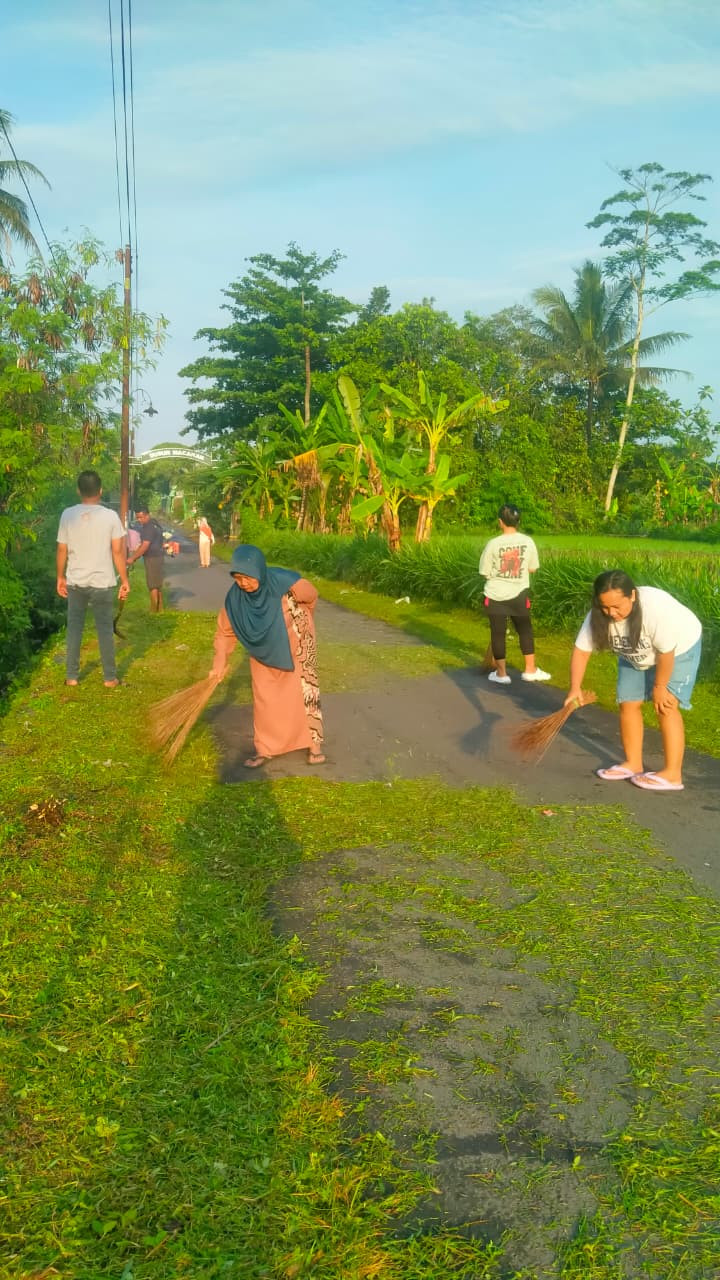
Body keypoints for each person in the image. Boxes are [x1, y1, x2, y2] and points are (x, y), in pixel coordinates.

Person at [566, 569, 702, 792]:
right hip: (635, 652)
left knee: (665, 705)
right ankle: (633, 763)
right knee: (628, 702)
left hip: (679, 648)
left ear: (633, 596)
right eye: (605, 607)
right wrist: (574, 688)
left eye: (617, 607)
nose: (611, 613)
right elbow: (581, 651)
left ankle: (673, 774)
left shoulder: (654, 611)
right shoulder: (597, 616)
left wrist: (659, 687)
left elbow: (666, 653)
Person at [210, 544, 325, 768]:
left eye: (248, 577)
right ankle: (265, 748)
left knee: (304, 690)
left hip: (297, 640)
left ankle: (314, 745)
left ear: (260, 571)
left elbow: (311, 596)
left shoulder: (285, 583)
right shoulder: (235, 599)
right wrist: (219, 663)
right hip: (262, 648)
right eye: (238, 578)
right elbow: (225, 631)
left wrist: (305, 619)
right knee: (265, 695)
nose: (244, 583)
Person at [56, 469, 130, 688]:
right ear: (100, 490)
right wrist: (124, 580)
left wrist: (59, 577)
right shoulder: (110, 516)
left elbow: (62, 549)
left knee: (75, 628)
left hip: (75, 582)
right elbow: (117, 552)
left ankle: (72, 677)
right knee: (105, 629)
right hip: (103, 583)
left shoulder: (67, 514)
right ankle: (109, 678)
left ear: (78, 491)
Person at [479, 503, 551, 685]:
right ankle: (530, 670)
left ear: (500, 522)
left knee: (498, 633)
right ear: (518, 522)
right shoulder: (528, 542)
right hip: (519, 594)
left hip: (495, 595)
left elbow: (484, 572)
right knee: (525, 630)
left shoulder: (493, 544)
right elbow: (533, 568)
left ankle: (501, 674)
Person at [127, 506, 165, 612]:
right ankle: (160, 609)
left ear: (147, 515)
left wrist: (133, 558)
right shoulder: (155, 524)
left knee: (152, 585)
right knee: (157, 584)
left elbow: (145, 545)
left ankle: (153, 610)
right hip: (159, 556)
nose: (139, 520)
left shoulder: (148, 527)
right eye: (137, 518)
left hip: (152, 558)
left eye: (141, 517)